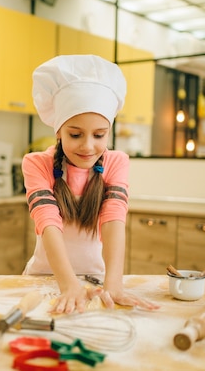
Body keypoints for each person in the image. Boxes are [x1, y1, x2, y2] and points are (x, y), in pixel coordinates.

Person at [22, 54, 160, 313]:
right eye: (75, 134)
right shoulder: (37, 163)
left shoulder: (115, 162)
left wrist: (114, 283)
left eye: (99, 135)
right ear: (59, 131)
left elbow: (113, 221)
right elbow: (48, 223)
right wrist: (68, 284)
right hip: (45, 279)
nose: (88, 146)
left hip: (96, 280)